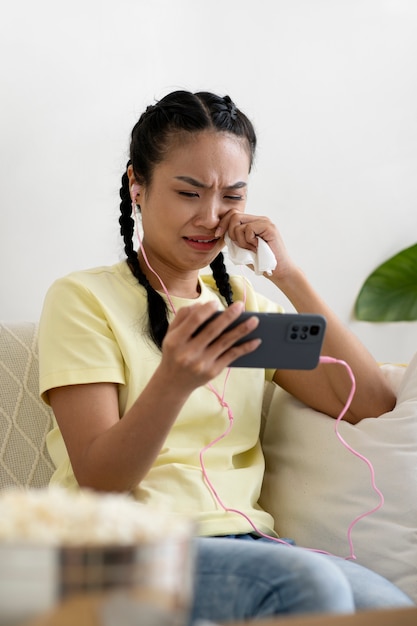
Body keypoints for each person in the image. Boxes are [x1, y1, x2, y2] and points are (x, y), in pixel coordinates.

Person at [38, 90, 413, 624]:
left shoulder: (243, 307)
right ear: (136, 185)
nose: (211, 218)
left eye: (231, 196)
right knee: (311, 583)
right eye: (189, 192)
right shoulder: (81, 300)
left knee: (392, 609)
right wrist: (173, 380)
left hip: (251, 545)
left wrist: (289, 277)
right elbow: (99, 479)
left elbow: (369, 403)